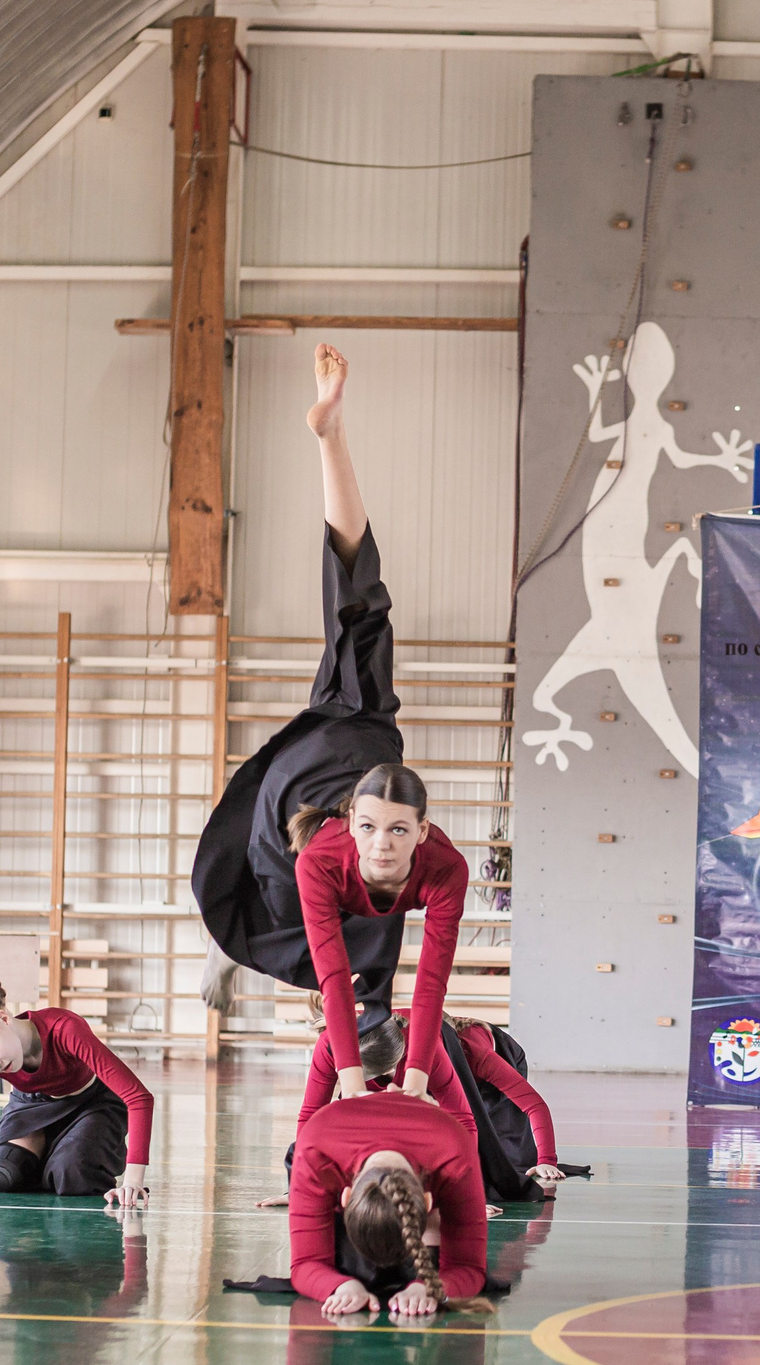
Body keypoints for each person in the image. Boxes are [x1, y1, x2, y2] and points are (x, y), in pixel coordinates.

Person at [192, 345, 471, 1106]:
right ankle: (232, 943)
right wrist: (351, 1077)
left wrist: (415, 1081)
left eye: (397, 837)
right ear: (359, 825)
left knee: (359, 601)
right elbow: (360, 978)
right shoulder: (320, 859)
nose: (383, 849)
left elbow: (433, 981)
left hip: (355, 737)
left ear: (424, 832)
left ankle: (329, 434)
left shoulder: (436, 866)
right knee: (327, 941)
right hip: (298, 797)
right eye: (376, 834)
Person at [0, 953, 156, 1208]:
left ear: (4, 1019)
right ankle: (48, 1154)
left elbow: (138, 1097)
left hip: (92, 1105)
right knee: (3, 1173)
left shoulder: (64, 1029)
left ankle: (65, 1158)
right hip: (32, 1107)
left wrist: (133, 1181)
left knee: (72, 1173)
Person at [296, 1009, 569, 1203]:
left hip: (496, 1058)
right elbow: (311, 1114)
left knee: (500, 1157)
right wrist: (299, 1185)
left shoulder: (471, 1056)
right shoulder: (342, 1040)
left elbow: (531, 1105)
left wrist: (546, 1159)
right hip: (405, 1048)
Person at [285, 1091, 491, 1318]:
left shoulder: (454, 1156)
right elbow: (306, 1262)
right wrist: (341, 1286)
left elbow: (469, 1266)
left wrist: (426, 1288)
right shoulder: (316, 1149)